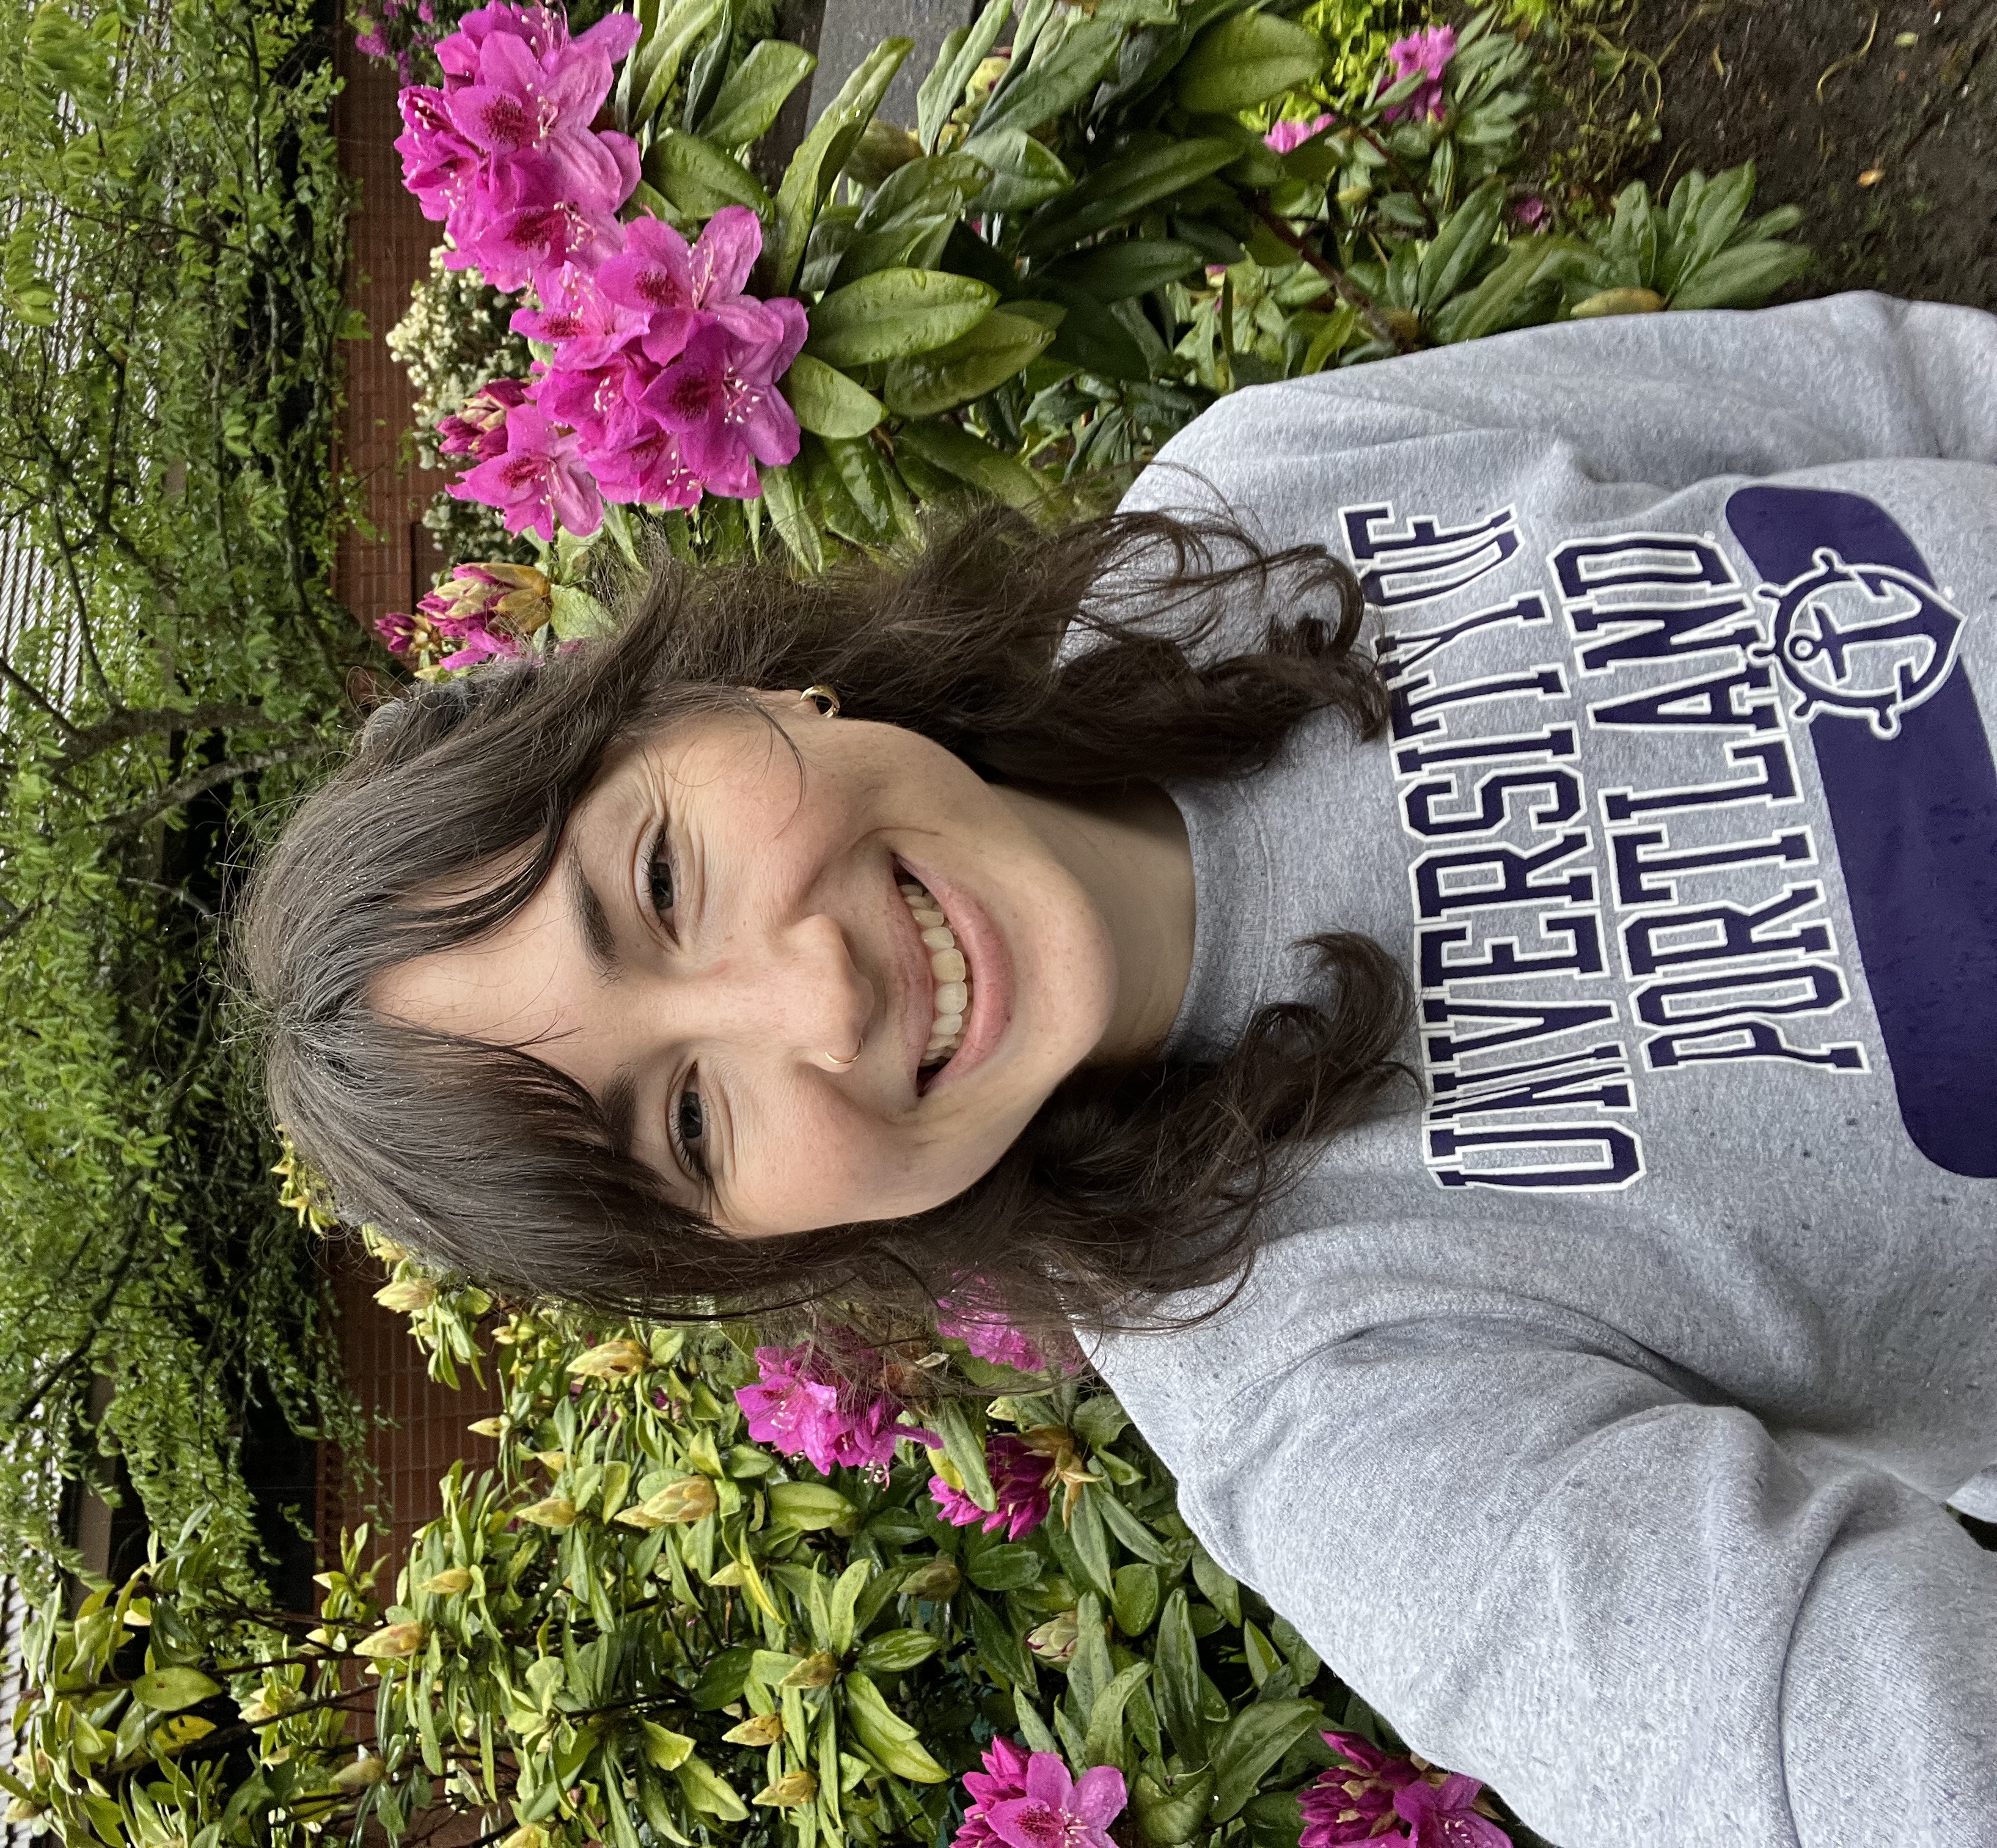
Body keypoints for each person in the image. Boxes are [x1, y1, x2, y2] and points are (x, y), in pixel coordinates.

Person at [241, 292, 1997, 1845]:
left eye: (662, 882)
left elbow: (1892, 392)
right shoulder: (1342, 1415)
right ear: (755, 1243)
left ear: (733, 703)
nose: (812, 1004)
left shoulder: (1257, 498)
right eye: (692, 1120)